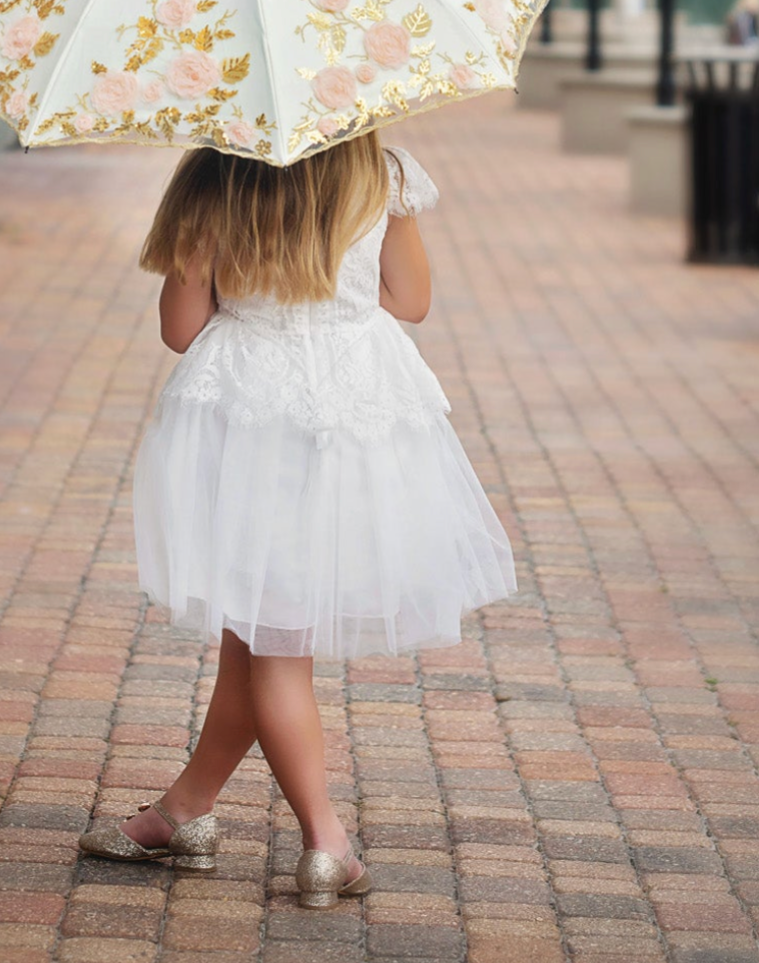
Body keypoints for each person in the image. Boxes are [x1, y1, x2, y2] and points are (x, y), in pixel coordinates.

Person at [77, 130, 516, 909]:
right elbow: (410, 301)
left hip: (247, 415)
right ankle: (185, 811)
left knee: (272, 646)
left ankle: (325, 843)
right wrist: (336, 293)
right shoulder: (379, 172)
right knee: (256, 637)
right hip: (354, 411)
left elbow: (180, 330)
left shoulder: (217, 176)